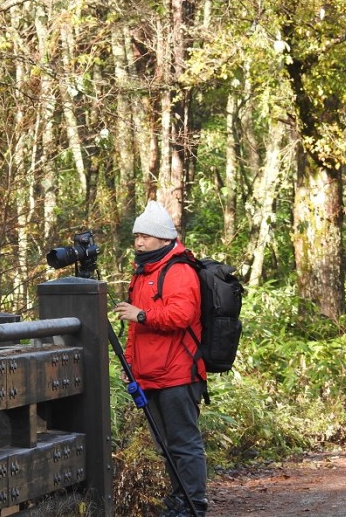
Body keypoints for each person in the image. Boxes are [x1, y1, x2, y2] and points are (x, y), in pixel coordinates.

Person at [113, 200, 209, 517]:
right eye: (136, 236)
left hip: (179, 374)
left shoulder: (179, 270)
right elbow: (133, 330)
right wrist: (130, 367)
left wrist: (142, 314)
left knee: (183, 443)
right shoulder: (142, 273)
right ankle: (180, 500)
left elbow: (182, 315)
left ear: (164, 238)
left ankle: (194, 504)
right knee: (167, 447)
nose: (139, 241)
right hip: (149, 374)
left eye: (145, 236)